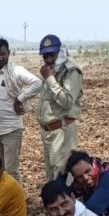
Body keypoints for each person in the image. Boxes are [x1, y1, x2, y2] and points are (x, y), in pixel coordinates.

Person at [0, 37, 42, 184]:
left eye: (3, 54)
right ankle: (2, 197)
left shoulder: (16, 71)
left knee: (12, 171)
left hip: (11, 130)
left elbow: (38, 83)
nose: (0, 58)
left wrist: (20, 99)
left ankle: (17, 199)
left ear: (9, 53)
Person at [36, 34, 83, 182]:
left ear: (59, 51)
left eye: (52, 54)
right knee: (51, 175)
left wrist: (50, 79)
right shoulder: (51, 70)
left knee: (62, 175)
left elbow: (67, 102)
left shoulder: (70, 71)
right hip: (49, 132)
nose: (48, 58)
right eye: (45, 55)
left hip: (62, 131)